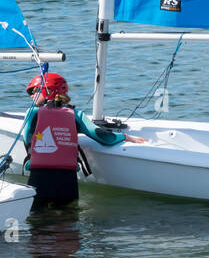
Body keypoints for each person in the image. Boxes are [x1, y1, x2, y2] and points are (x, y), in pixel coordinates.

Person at [22, 72, 144, 207]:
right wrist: (126, 136)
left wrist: (30, 158)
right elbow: (101, 135)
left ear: (49, 91)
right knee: (67, 222)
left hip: (40, 177)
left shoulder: (32, 113)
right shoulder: (75, 114)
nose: (32, 96)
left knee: (38, 222)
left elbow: (27, 138)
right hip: (67, 180)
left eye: (34, 91)